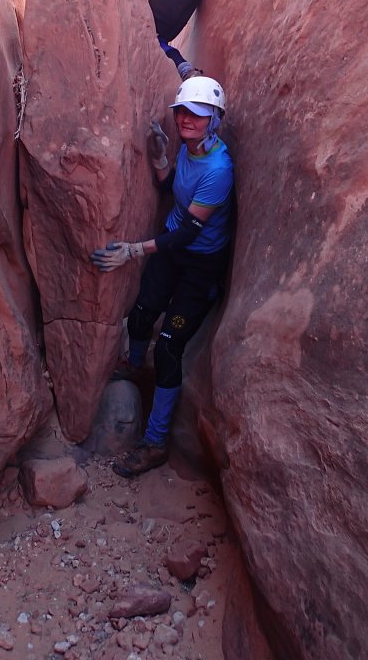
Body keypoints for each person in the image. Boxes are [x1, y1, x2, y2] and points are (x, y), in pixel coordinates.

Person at [90, 76, 234, 477]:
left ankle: (154, 443)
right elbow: (172, 188)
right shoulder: (190, 148)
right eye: (183, 112)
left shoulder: (219, 169)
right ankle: (134, 367)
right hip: (173, 250)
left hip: (199, 263)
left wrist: (135, 250)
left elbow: (189, 231)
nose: (187, 119)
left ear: (214, 120)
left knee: (168, 346)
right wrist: (158, 157)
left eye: (198, 115)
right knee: (140, 315)